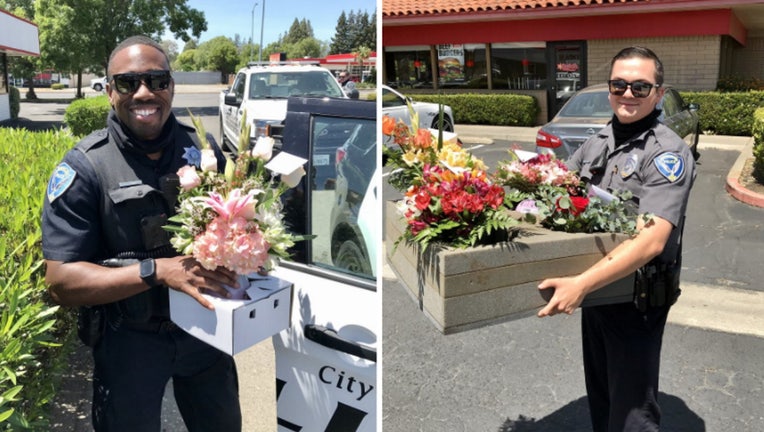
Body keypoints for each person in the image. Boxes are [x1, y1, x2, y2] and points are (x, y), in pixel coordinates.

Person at [42, 35, 242, 431]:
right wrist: (157, 271)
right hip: (128, 343)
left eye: (157, 80)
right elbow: (61, 282)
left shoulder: (202, 151)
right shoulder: (85, 168)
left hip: (206, 333)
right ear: (109, 91)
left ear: (171, 86)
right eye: (128, 83)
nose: (145, 93)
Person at [537, 46, 696, 431]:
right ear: (609, 89)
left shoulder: (666, 153)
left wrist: (580, 284)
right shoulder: (598, 141)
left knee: (632, 412)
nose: (628, 94)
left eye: (640, 87)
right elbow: (557, 184)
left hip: (636, 297)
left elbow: (652, 241)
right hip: (598, 288)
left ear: (658, 93)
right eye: (619, 85)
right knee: (603, 391)